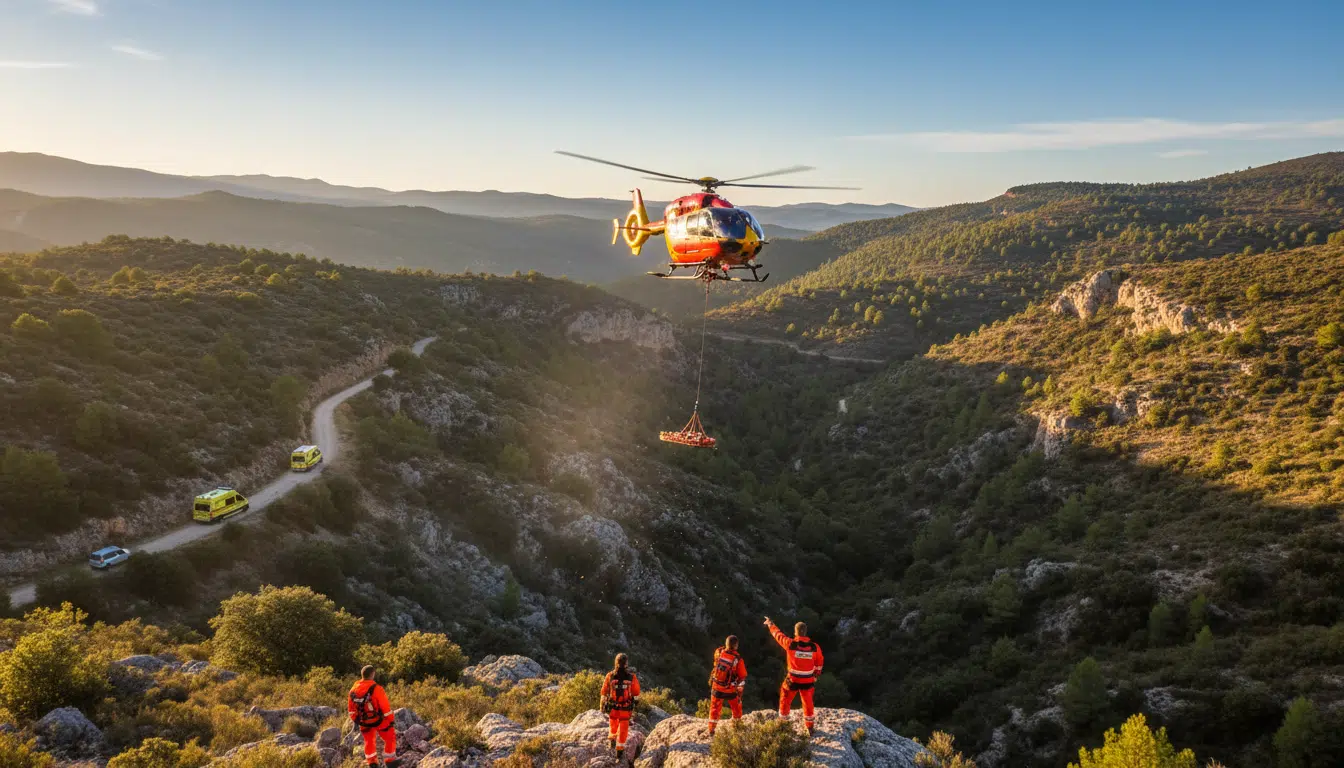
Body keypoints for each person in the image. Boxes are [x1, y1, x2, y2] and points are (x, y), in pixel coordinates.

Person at [764, 616, 824, 735]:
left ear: (795, 632)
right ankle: (810, 727)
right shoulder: (814, 647)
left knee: (785, 700)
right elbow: (819, 662)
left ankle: (783, 724)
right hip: (808, 681)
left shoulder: (790, 644)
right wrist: (816, 675)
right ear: (805, 632)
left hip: (793, 680)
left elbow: (778, 635)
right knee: (808, 703)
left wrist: (770, 624)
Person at [349, 665, 398, 767]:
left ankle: (372, 763)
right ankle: (390, 761)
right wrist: (391, 720)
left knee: (369, 741)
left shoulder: (353, 690)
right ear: (373, 674)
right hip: (378, 720)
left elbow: (351, 710)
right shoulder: (377, 689)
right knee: (390, 737)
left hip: (363, 721)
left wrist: (358, 721)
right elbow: (386, 709)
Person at [600, 653, 641, 759]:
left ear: (615, 662)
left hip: (613, 707)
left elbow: (604, 692)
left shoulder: (610, 676)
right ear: (626, 664)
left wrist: (602, 705)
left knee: (613, 725)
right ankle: (619, 750)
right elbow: (636, 693)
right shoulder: (631, 677)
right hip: (625, 708)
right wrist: (635, 704)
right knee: (623, 729)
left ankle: (612, 740)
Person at [707, 635, 747, 736]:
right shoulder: (738, 659)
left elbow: (716, 663)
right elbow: (742, 676)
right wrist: (740, 689)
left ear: (726, 644)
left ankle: (711, 730)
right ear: (736, 646)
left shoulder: (718, 652)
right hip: (730, 690)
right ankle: (736, 726)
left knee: (714, 709)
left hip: (716, 687)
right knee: (736, 707)